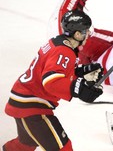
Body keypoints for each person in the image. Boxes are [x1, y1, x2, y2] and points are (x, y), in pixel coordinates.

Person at [3, 10, 104, 151]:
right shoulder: (64, 52)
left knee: (24, 146)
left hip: (24, 101)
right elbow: (51, 82)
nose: (88, 35)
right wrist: (79, 89)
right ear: (77, 34)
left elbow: (58, 71)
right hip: (32, 107)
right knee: (63, 148)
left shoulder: (58, 43)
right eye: (86, 31)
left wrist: (81, 72)